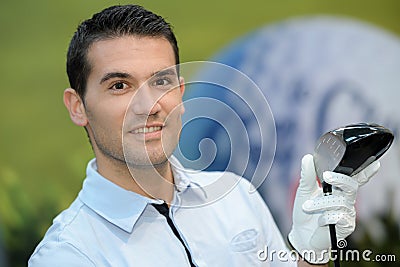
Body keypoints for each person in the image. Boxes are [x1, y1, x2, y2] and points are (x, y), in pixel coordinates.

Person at [28, 5, 380, 266]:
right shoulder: (69, 254)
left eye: (161, 81)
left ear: (181, 92)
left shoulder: (237, 196)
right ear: (77, 107)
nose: (149, 105)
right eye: (120, 86)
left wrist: (310, 254)